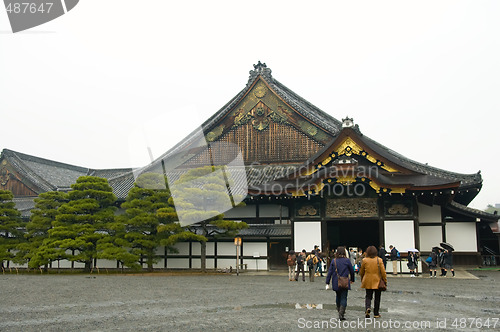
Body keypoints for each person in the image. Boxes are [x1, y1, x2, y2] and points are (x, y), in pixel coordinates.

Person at [325, 246, 355, 321]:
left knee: (338, 296)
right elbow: (352, 271)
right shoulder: (347, 261)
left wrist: (327, 282)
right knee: (344, 297)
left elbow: (330, 272)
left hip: (336, 282)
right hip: (345, 281)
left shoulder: (334, 261)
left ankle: (339, 310)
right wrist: (352, 279)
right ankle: (341, 313)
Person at [359, 245, 387, 319]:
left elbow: (361, 272)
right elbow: (383, 272)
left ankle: (367, 308)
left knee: (368, 296)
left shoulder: (364, 260)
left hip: (367, 280)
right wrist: (385, 281)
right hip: (377, 280)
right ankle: (376, 313)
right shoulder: (379, 260)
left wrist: (362, 279)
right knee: (377, 297)